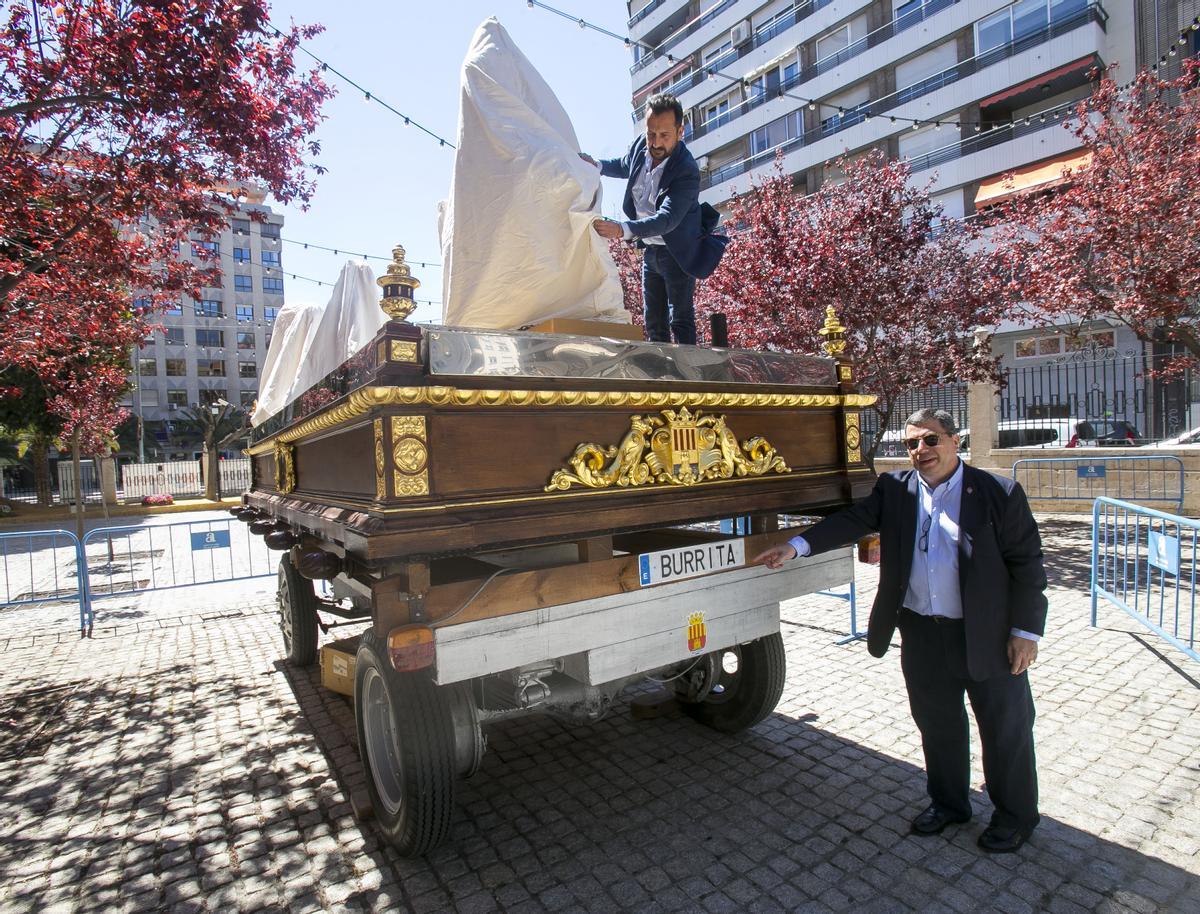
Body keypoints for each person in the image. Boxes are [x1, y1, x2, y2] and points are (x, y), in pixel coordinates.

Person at [755, 408, 1047, 854]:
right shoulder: (895, 489)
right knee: (937, 724)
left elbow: (1027, 565)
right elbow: (851, 521)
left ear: (954, 441)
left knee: (1005, 728)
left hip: (986, 634)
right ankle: (949, 804)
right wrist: (795, 546)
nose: (920, 450)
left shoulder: (998, 492)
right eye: (911, 443)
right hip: (922, 633)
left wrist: (1026, 631)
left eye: (930, 440)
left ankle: (1015, 816)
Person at [581, 93, 726, 345]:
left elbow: (667, 219)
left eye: (664, 135)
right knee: (654, 324)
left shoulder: (686, 170)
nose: (656, 142)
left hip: (678, 252)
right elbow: (625, 165)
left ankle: (686, 370)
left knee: (680, 320)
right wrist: (598, 165)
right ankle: (661, 369)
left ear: (680, 131)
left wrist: (622, 229)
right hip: (650, 250)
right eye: (651, 134)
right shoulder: (642, 144)